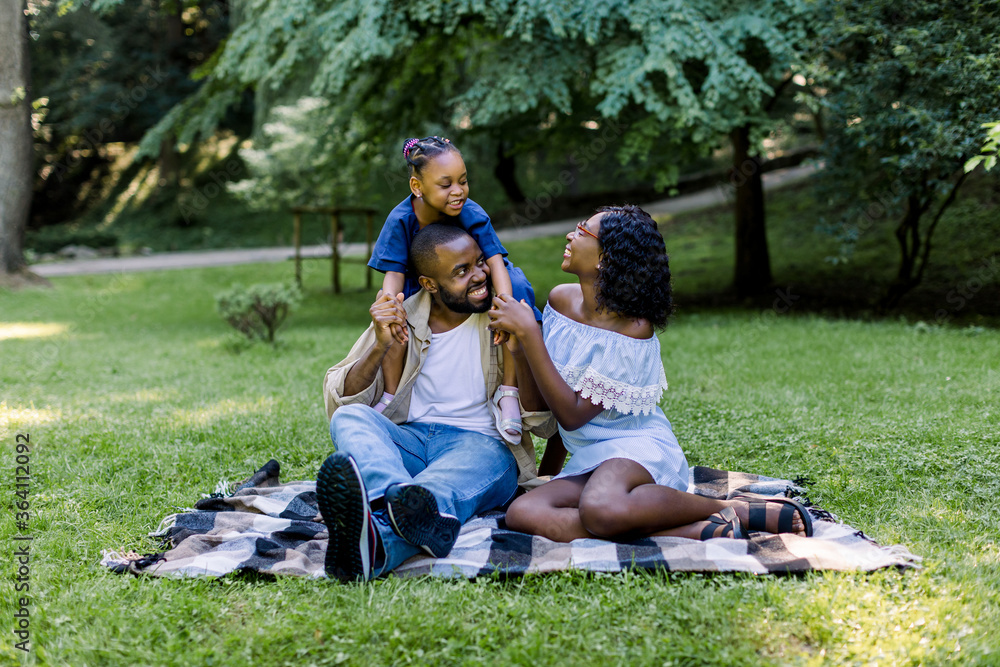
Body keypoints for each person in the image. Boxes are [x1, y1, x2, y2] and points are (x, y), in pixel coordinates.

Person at [487, 204, 814, 543]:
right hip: (590, 460)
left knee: (600, 508)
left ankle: (730, 508)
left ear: (606, 258)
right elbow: (546, 404)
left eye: (583, 231)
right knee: (523, 512)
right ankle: (694, 530)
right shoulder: (559, 301)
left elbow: (571, 415)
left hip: (634, 450)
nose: (571, 235)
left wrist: (531, 336)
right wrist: (520, 354)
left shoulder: (632, 329)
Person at [318, 224, 557, 581]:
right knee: (351, 417)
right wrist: (380, 345)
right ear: (429, 283)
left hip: (483, 449)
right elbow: (342, 397)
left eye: (480, 263)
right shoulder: (405, 315)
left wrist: (520, 351)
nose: (479, 276)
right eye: (461, 272)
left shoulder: (506, 315)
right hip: (410, 443)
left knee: (438, 490)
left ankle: (377, 524)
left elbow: (544, 423)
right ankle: (393, 502)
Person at [368, 136, 541, 445]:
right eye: (446, 185)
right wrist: (390, 306)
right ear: (417, 187)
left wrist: (504, 306)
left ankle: (508, 392)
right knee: (395, 310)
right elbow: (393, 274)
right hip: (423, 283)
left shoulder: (470, 211)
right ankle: (393, 395)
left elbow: (495, 261)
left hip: (477, 275)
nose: (458, 191)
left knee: (513, 292)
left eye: (463, 181)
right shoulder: (400, 220)